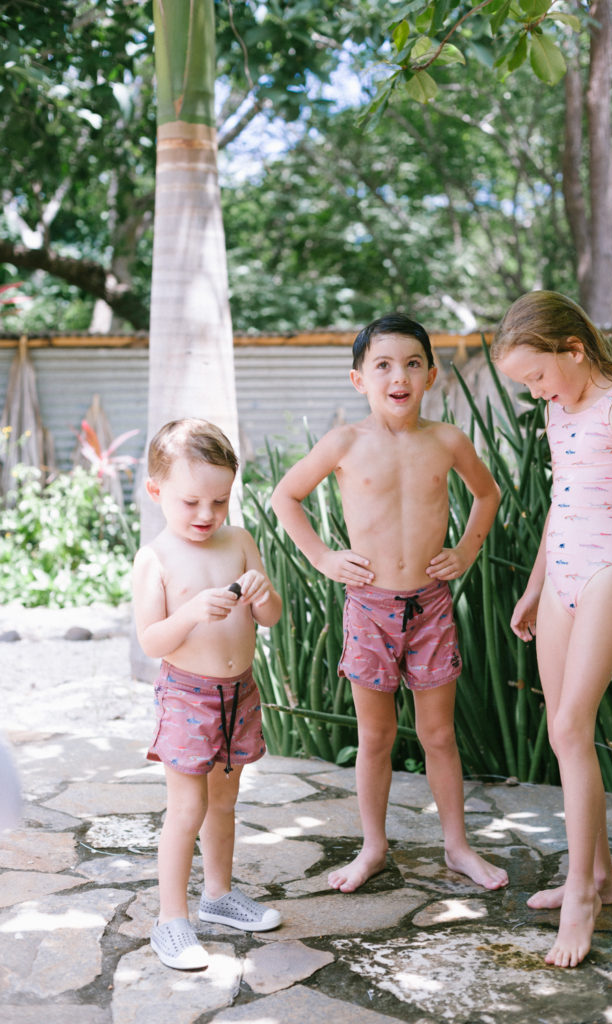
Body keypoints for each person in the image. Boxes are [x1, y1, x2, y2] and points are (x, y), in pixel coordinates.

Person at [271, 313, 509, 896]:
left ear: (430, 375)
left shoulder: (447, 441)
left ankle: (457, 845)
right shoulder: (345, 443)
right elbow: (285, 496)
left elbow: (488, 493)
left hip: (430, 605)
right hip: (369, 607)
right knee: (375, 737)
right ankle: (373, 847)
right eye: (382, 365)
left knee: (439, 735)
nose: (398, 376)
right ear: (359, 379)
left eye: (411, 364)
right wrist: (323, 557)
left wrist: (467, 551)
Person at [491, 290, 612, 969]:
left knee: (572, 727)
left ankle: (579, 894)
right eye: (525, 384)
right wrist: (534, 585)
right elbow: (559, 499)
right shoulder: (557, 411)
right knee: (562, 728)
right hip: (562, 577)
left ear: (572, 348)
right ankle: (600, 876)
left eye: (537, 375)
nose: (535, 391)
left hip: (610, 570)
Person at [133, 419, 283, 971]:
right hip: (187, 696)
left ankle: (218, 895)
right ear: (156, 491)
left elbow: (270, 616)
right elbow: (152, 641)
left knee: (223, 801)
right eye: (191, 501)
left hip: (238, 693)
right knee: (188, 806)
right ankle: (170, 920)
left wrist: (263, 594)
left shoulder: (238, 541)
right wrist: (191, 612)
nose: (206, 514)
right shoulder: (156, 558)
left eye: (219, 501)